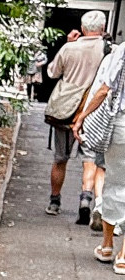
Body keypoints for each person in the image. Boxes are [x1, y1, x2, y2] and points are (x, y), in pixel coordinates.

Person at [45, 14, 108, 219]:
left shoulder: (69, 48)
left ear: (82, 27)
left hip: (66, 112)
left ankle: (54, 202)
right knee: (90, 160)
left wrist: (69, 45)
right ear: (103, 27)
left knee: (60, 158)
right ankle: (85, 199)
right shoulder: (109, 50)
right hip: (93, 114)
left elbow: (53, 73)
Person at [74, 32, 125, 265]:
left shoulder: (122, 50)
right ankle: (124, 257)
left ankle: (107, 246)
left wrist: (83, 116)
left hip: (121, 126)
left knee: (115, 183)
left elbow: (105, 89)